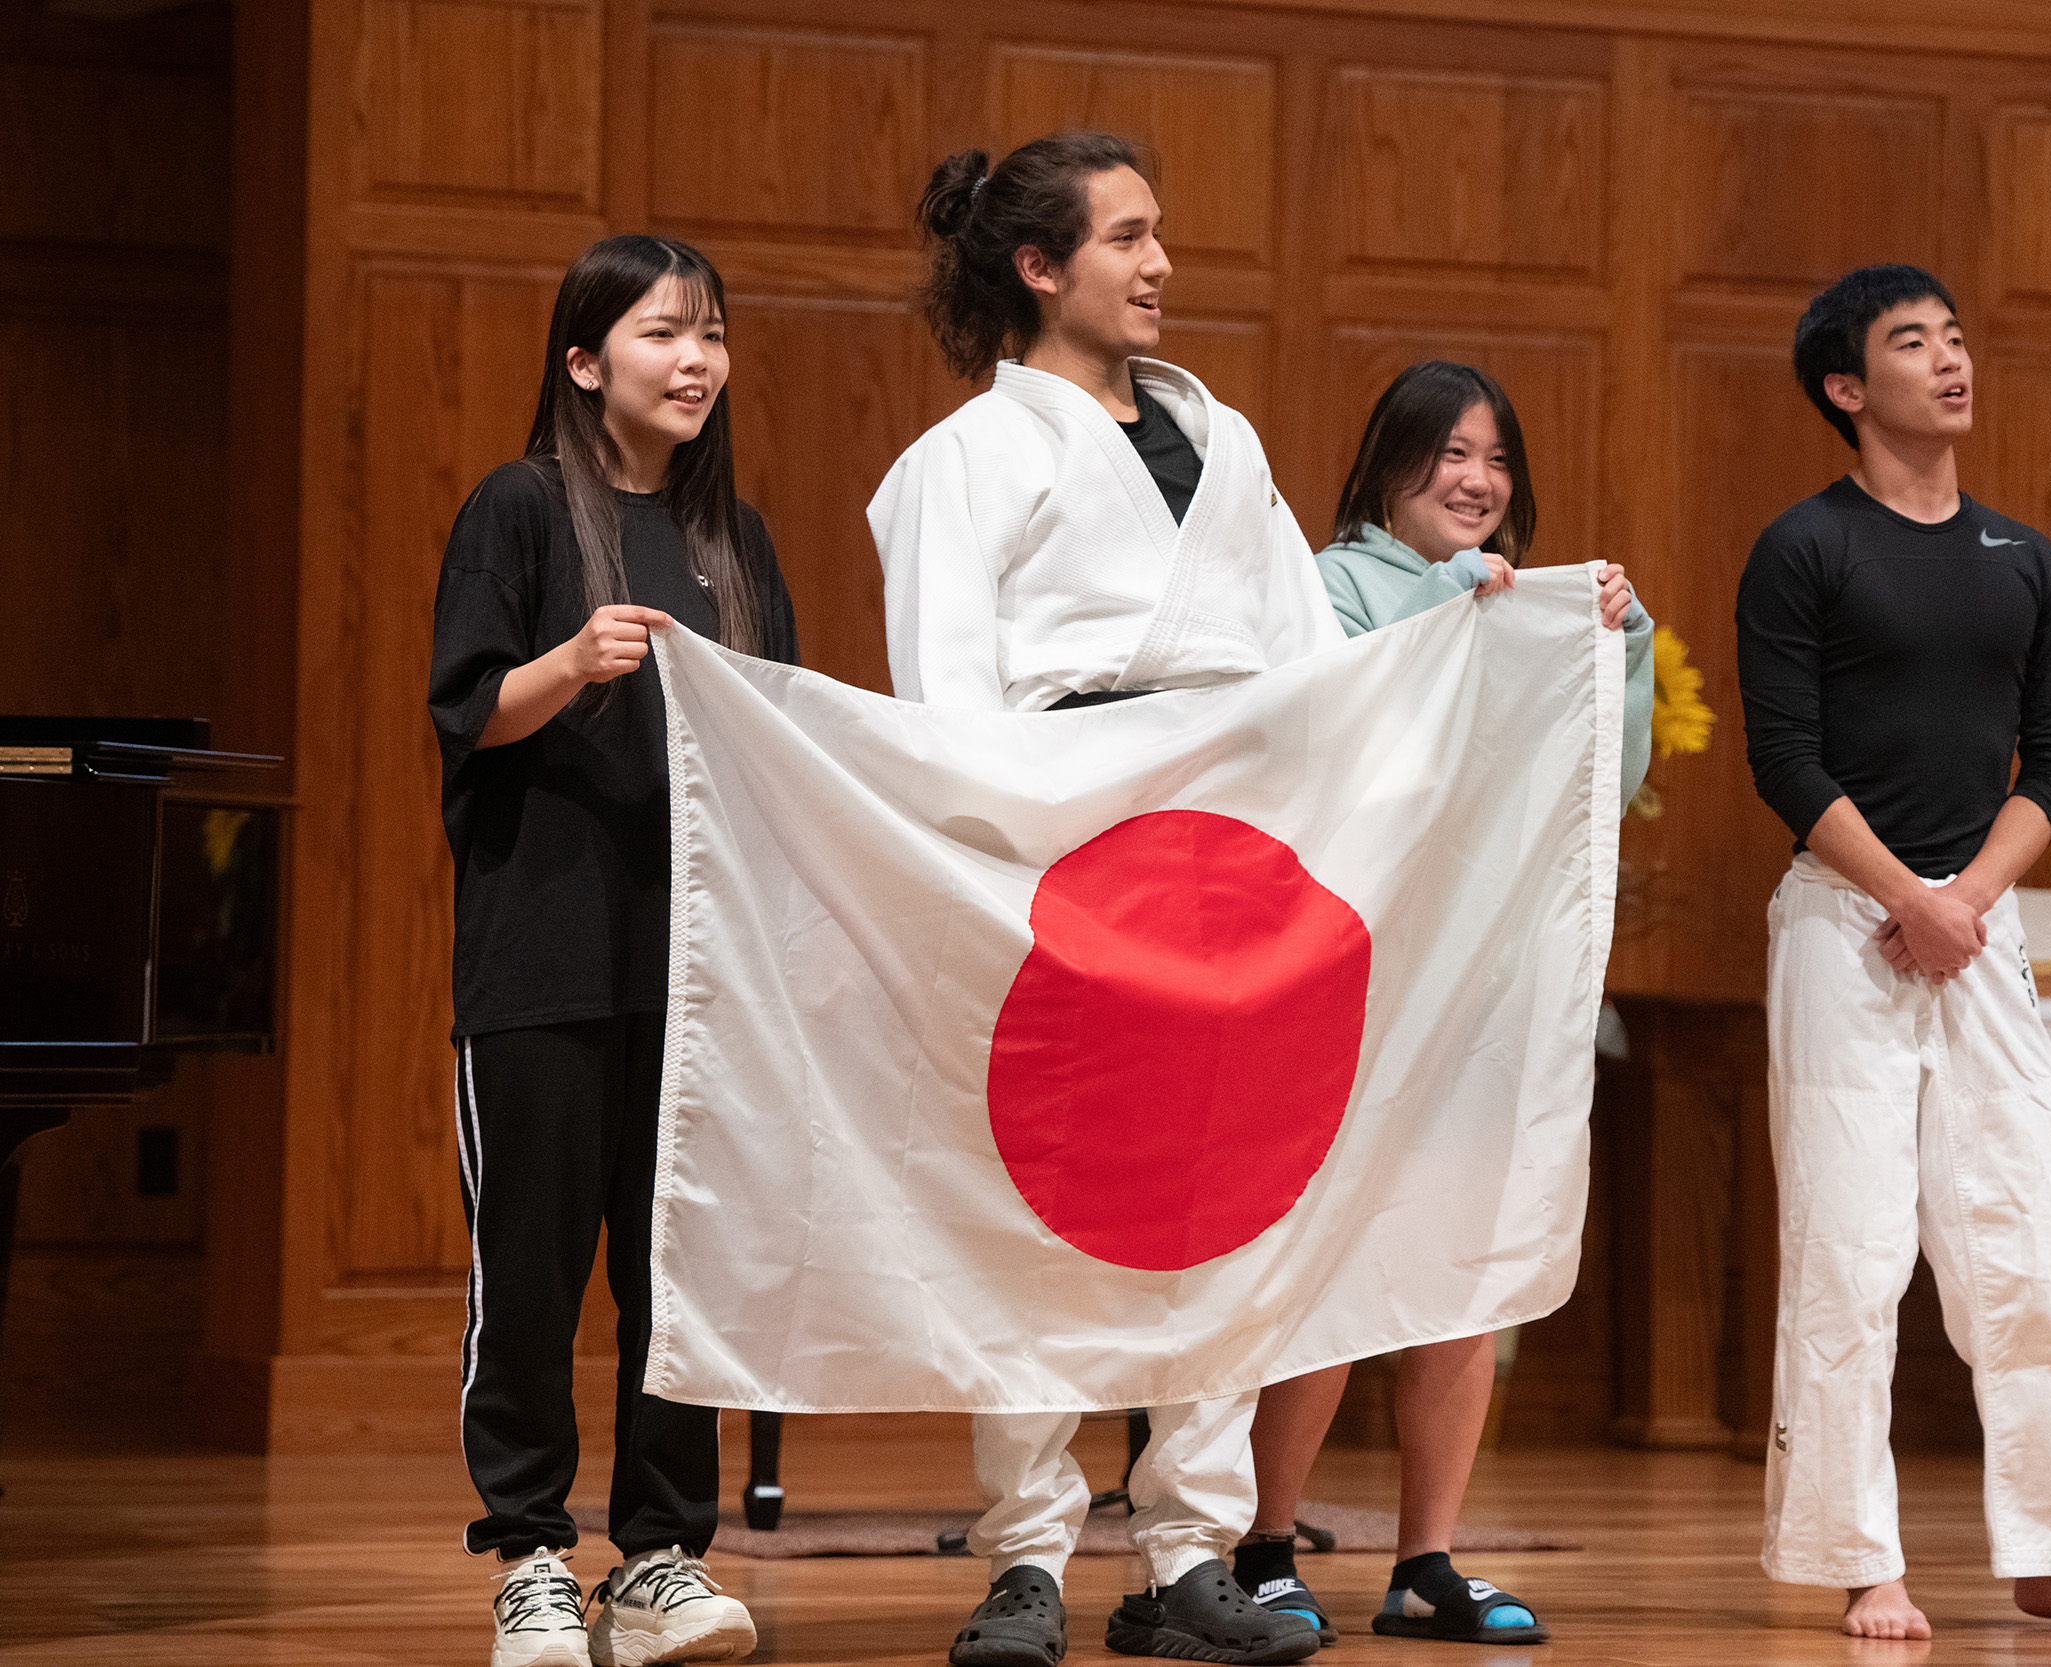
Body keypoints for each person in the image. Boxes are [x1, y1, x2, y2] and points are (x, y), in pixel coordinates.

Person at [868, 131, 1333, 1667]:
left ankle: (1193, 1552)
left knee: (1216, 1199)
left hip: (1220, 842)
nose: (1160, 265)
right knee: (1044, 1204)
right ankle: (1025, 1557)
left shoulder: (1229, 443)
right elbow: (946, 694)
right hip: (1057, 843)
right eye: (1127, 238)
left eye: (1160, 235)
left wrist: (1505, 623)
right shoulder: (963, 461)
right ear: (1039, 268)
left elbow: (1312, 660)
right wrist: (1002, 864)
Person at [1733, 264, 2051, 1642]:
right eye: (1913, 343)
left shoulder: (2028, 562)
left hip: (1976, 927)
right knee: (1852, 1252)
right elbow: (1785, 758)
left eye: (1957, 337)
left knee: (2037, 1250)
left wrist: (1967, 897)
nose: (1952, 360)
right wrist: (1902, 895)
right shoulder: (1806, 548)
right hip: (1841, 923)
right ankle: (1863, 1558)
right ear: (1847, 389)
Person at [1230, 359, 1649, 1648]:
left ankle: (1426, 1558)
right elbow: (1319, 740)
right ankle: (1259, 1544)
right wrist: (1436, 623)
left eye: (1497, 459)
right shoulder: (1325, 583)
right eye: (1450, 455)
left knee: (1463, 1273)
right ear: (1389, 466)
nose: (1477, 482)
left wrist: (1611, 652)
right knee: (1333, 1262)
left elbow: (1596, 789)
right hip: (1353, 979)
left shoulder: (1525, 602)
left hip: (1484, 985)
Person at [429, 234, 798, 1667]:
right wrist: (573, 663)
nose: (696, 360)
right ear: (585, 360)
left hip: (699, 980)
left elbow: (778, 744)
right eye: (662, 334)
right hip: (539, 962)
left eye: (711, 334)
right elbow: (471, 712)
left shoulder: (735, 541)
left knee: (679, 1274)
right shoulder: (517, 510)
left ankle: (657, 1562)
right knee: (526, 1273)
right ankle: (528, 1554)